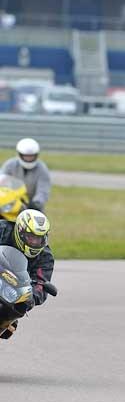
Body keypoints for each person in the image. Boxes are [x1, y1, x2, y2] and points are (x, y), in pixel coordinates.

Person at [0, 208, 54, 339]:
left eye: (39, 239)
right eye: (31, 237)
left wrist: (31, 297)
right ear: (20, 231)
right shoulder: (2, 229)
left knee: (10, 326)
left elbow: (41, 284)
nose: (35, 242)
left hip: (11, 292)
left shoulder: (45, 257)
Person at [1, 138, 51, 211]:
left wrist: (36, 203)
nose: (29, 158)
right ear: (20, 155)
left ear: (36, 155)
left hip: (33, 207)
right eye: (26, 156)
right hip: (10, 205)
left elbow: (43, 190)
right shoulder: (10, 165)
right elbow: (2, 182)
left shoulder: (42, 169)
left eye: (31, 156)